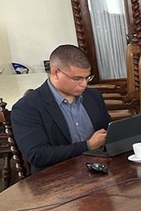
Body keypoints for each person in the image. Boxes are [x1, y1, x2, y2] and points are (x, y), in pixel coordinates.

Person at [11, 44, 110, 172]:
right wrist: (87, 145)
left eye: (87, 78)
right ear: (55, 73)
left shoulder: (93, 96)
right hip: (55, 178)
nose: (84, 84)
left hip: (99, 169)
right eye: (77, 78)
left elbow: (108, 131)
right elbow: (38, 156)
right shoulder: (26, 108)